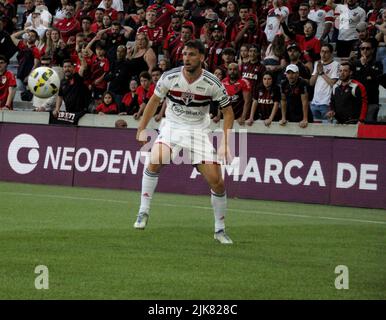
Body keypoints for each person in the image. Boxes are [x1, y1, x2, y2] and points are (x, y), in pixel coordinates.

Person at [134, 39, 234, 244]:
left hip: (198, 130)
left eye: (192, 54)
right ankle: (143, 211)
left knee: (217, 182)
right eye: (185, 54)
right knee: (155, 158)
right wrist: (141, 128)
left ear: (202, 58)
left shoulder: (212, 83)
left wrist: (225, 142)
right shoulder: (169, 77)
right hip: (173, 126)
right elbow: (154, 101)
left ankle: (220, 230)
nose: (186, 58)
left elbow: (228, 113)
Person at [52, 57, 91, 124]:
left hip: (81, 113)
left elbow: (83, 67)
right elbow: (60, 96)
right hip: (69, 113)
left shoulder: (77, 77)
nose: (67, 69)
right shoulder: (62, 82)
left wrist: (82, 58)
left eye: (69, 66)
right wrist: (57, 108)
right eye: (65, 67)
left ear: (73, 68)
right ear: (63, 69)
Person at [309, 43, 339, 121]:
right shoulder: (317, 64)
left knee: (327, 128)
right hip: (314, 103)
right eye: (322, 51)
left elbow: (333, 84)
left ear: (331, 53)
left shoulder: (336, 65)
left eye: (326, 52)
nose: (323, 54)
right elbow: (311, 83)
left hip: (327, 103)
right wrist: (317, 72)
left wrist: (322, 73)